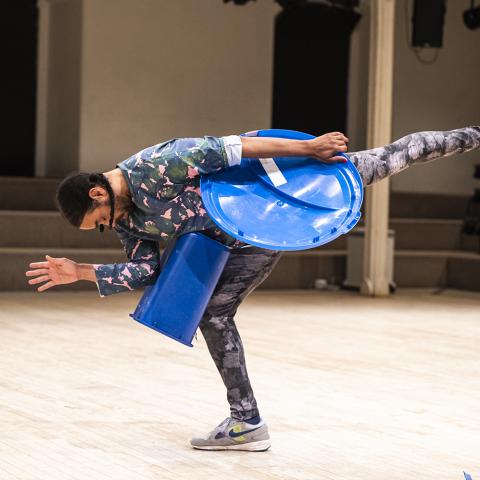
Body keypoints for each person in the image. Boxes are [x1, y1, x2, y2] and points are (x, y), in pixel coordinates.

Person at [25, 126, 480, 451]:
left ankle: (472, 135)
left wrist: (310, 149)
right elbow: (144, 271)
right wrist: (81, 272)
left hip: (279, 187)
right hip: (250, 239)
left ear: (97, 194)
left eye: (99, 222)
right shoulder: (130, 221)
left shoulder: (158, 163)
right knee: (213, 314)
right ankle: (247, 422)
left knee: (391, 157)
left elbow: (239, 147)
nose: (109, 227)